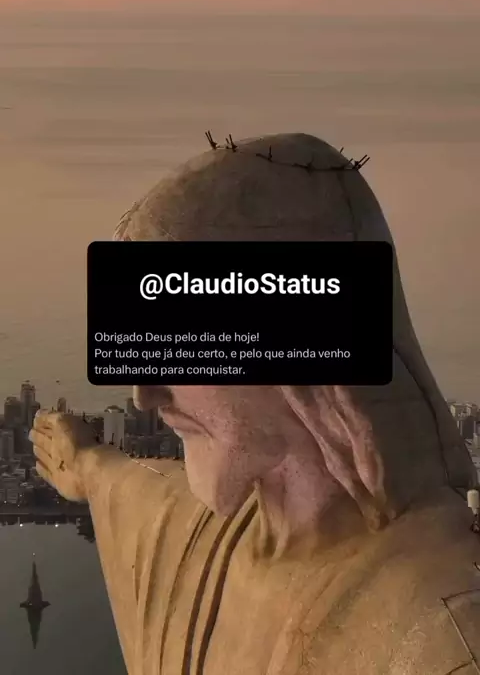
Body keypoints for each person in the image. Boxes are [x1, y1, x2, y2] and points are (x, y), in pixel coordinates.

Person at [31, 133, 480, 675]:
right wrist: (86, 463)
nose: (145, 394)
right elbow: (146, 493)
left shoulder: (447, 637)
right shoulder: (230, 535)